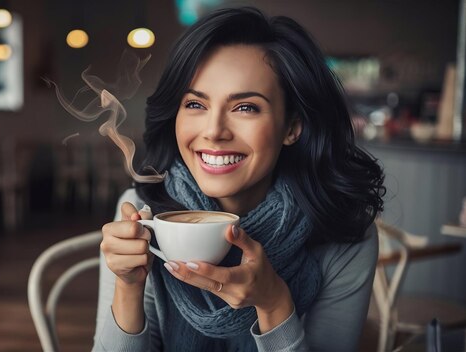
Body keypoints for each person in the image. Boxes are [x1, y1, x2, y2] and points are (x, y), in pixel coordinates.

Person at [93, 6, 385, 351]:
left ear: (292, 126)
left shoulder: (345, 234)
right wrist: (128, 286)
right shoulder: (143, 210)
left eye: (245, 107)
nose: (214, 132)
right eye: (195, 105)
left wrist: (274, 303)